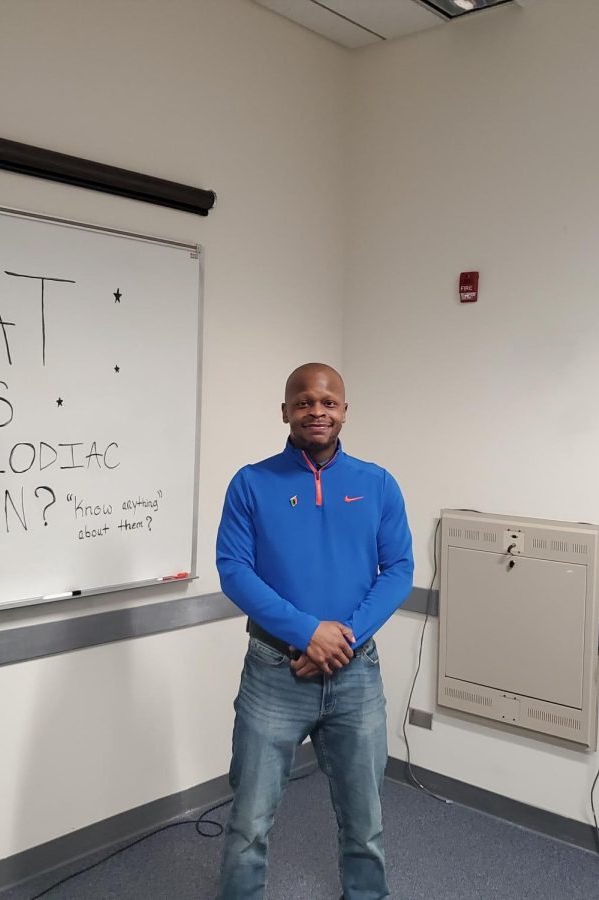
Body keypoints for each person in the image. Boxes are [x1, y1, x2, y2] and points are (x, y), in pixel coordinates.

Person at [215, 362, 414, 900]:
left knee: (365, 819)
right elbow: (233, 569)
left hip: (356, 672)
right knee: (249, 821)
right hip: (274, 671)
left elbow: (399, 570)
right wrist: (307, 632)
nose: (316, 410)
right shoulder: (251, 483)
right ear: (285, 412)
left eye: (328, 402)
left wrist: (340, 637)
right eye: (304, 402)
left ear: (344, 411)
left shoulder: (377, 484)